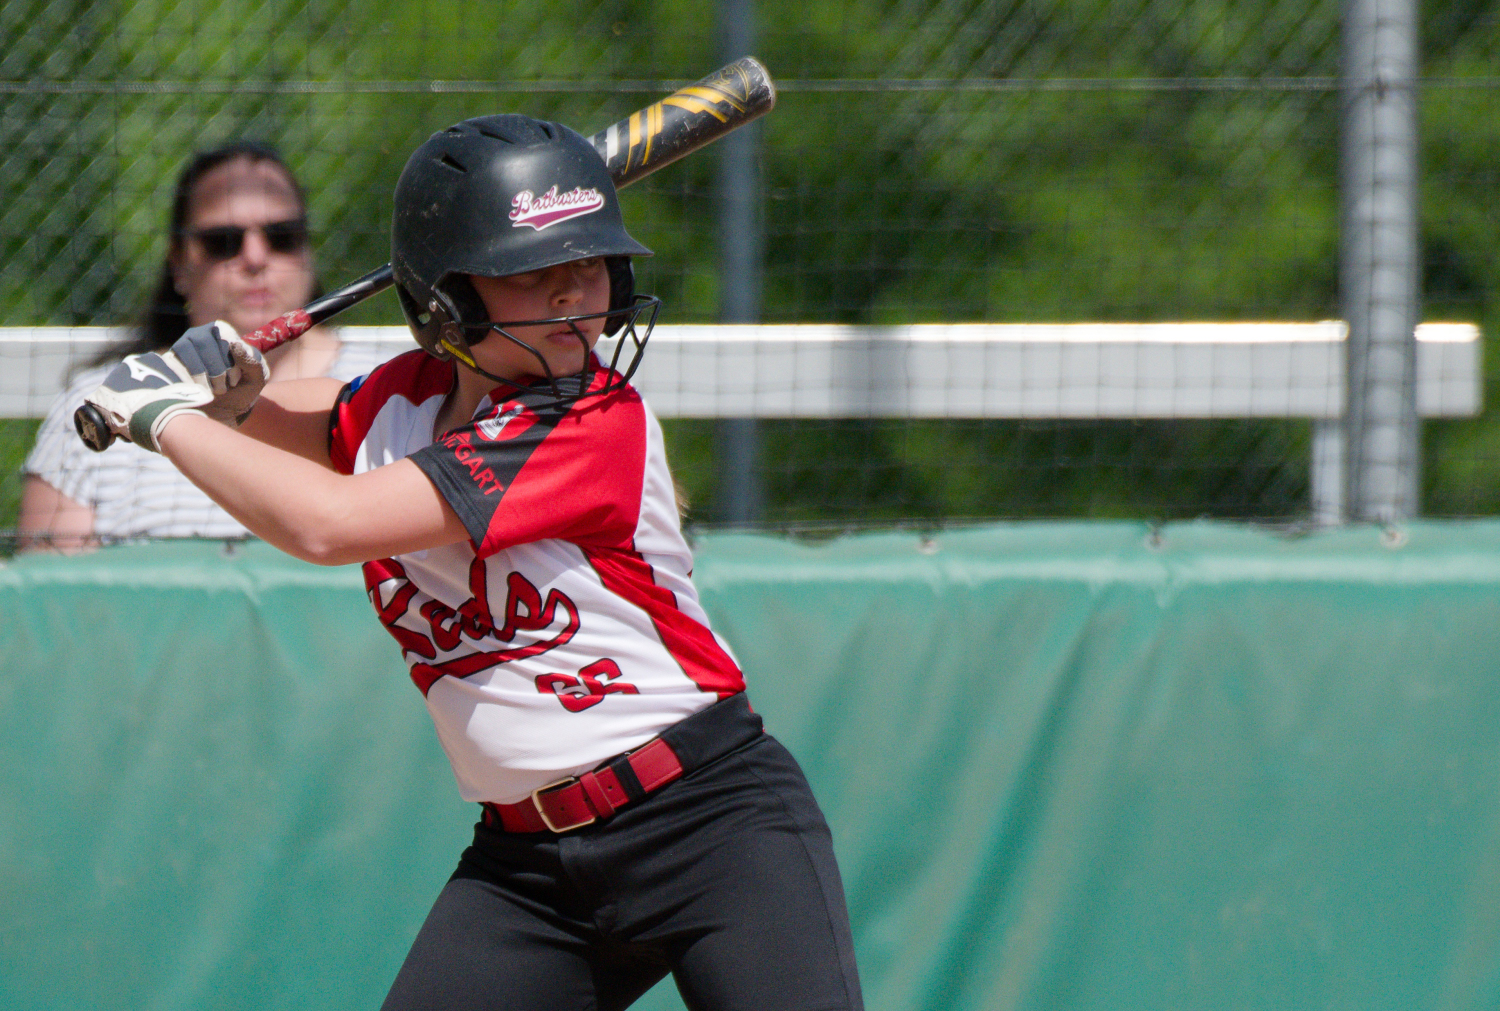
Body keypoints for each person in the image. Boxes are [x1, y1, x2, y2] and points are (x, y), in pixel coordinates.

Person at [79, 115, 865, 1011]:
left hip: (710, 824)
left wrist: (168, 418)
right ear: (445, 302)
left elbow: (327, 526)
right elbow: (296, 416)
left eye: (593, 262)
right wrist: (221, 393)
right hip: (530, 868)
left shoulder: (587, 415)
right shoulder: (396, 402)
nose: (580, 294)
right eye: (537, 272)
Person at [18, 140, 391, 550]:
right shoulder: (102, 400)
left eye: (282, 236)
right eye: (224, 241)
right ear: (178, 262)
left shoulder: (389, 383)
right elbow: (49, 596)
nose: (255, 257)